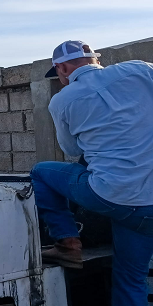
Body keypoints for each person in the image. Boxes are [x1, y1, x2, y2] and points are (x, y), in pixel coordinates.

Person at [31, 40, 153, 306]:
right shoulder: (139, 70)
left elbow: (72, 149)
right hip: (148, 206)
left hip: (113, 196)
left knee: (40, 172)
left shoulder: (61, 100)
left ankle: (67, 245)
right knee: (133, 276)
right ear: (95, 59)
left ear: (61, 68)